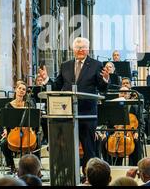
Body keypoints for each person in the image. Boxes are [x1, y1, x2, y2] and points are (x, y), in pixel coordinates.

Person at [39, 37, 109, 171]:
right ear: (73, 49)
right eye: (78, 47)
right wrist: (46, 79)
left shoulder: (96, 65)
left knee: (88, 148)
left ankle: (89, 175)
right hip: (67, 113)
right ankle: (67, 173)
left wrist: (105, 79)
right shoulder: (65, 65)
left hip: (87, 114)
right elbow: (57, 86)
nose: (80, 50)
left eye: (83, 47)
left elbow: (101, 88)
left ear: (88, 49)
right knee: (66, 147)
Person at [0, 81, 38, 174]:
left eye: (23, 89)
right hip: (13, 131)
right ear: (16, 89)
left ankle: (36, 169)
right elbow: (4, 121)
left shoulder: (28, 104)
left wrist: (33, 129)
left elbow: (34, 120)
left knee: (37, 142)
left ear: (25, 92)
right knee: (4, 144)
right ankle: (12, 166)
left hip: (27, 131)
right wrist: (5, 129)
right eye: (19, 88)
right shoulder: (8, 105)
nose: (21, 91)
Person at [101, 87, 143, 166]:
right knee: (104, 141)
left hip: (131, 133)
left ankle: (134, 166)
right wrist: (105, 132)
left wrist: (137, 132)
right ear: (118, 94)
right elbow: (108, 122)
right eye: (121, 92)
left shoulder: (135, 107)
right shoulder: (113, 106)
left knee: (137, 142)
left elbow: (141, 123)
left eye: (125, 93)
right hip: (115, 133)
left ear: (129, 95)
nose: (123, 94)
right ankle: (108, 165)